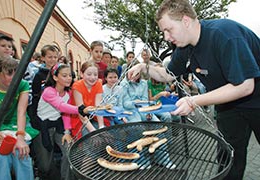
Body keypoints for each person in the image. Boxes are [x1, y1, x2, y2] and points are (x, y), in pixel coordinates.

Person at [127, 0, 260, 180]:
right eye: (163, 32)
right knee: (229, 158)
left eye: (168, 30)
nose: (166, 37)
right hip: (228, 106)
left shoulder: (225, 35)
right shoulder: (184, 48)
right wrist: (144, 67)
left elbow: (245, 86)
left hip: (256, 99)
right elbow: (167, 75)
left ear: (186, 21)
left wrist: (193, 101)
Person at [35, 63, 87, 180]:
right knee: (45, 165)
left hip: (58, 125)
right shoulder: (48, 91)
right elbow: (61, 106)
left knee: (69, 150)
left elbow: (65, 113)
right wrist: (80, 109)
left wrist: (67, 132)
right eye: (64, 75)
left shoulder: (68, 93)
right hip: (43, 126)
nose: (69, 78)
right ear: (55, 77)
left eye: (70, 75)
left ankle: (66, 178)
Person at [0, 56, 39, 180]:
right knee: (0, 156)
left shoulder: (23, 84)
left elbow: (21, 111)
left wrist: (20, 137)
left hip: (18, 125)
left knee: (21, 152)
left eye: (16, 73)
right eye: (9, 74)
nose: (14, 77)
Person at [28, 45, 59, 130]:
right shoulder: (39, 75)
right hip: (43, 110)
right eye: (50, 57)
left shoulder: (60, 72)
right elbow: (35, 93)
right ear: (43, 58)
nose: (53, 59)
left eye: (55, 57)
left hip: (57, 109)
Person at [71, 61, 105, 136]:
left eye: (95, 74)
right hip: (79, 118)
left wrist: (101, 126)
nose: (92, 77)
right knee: (89, 137)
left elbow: (98, 105)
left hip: (93, 115)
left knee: (105, 132)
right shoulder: (77, 86)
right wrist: (93, 131)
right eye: (89, 74)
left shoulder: (98, 83)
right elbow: (81, 113)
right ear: (82, 74)